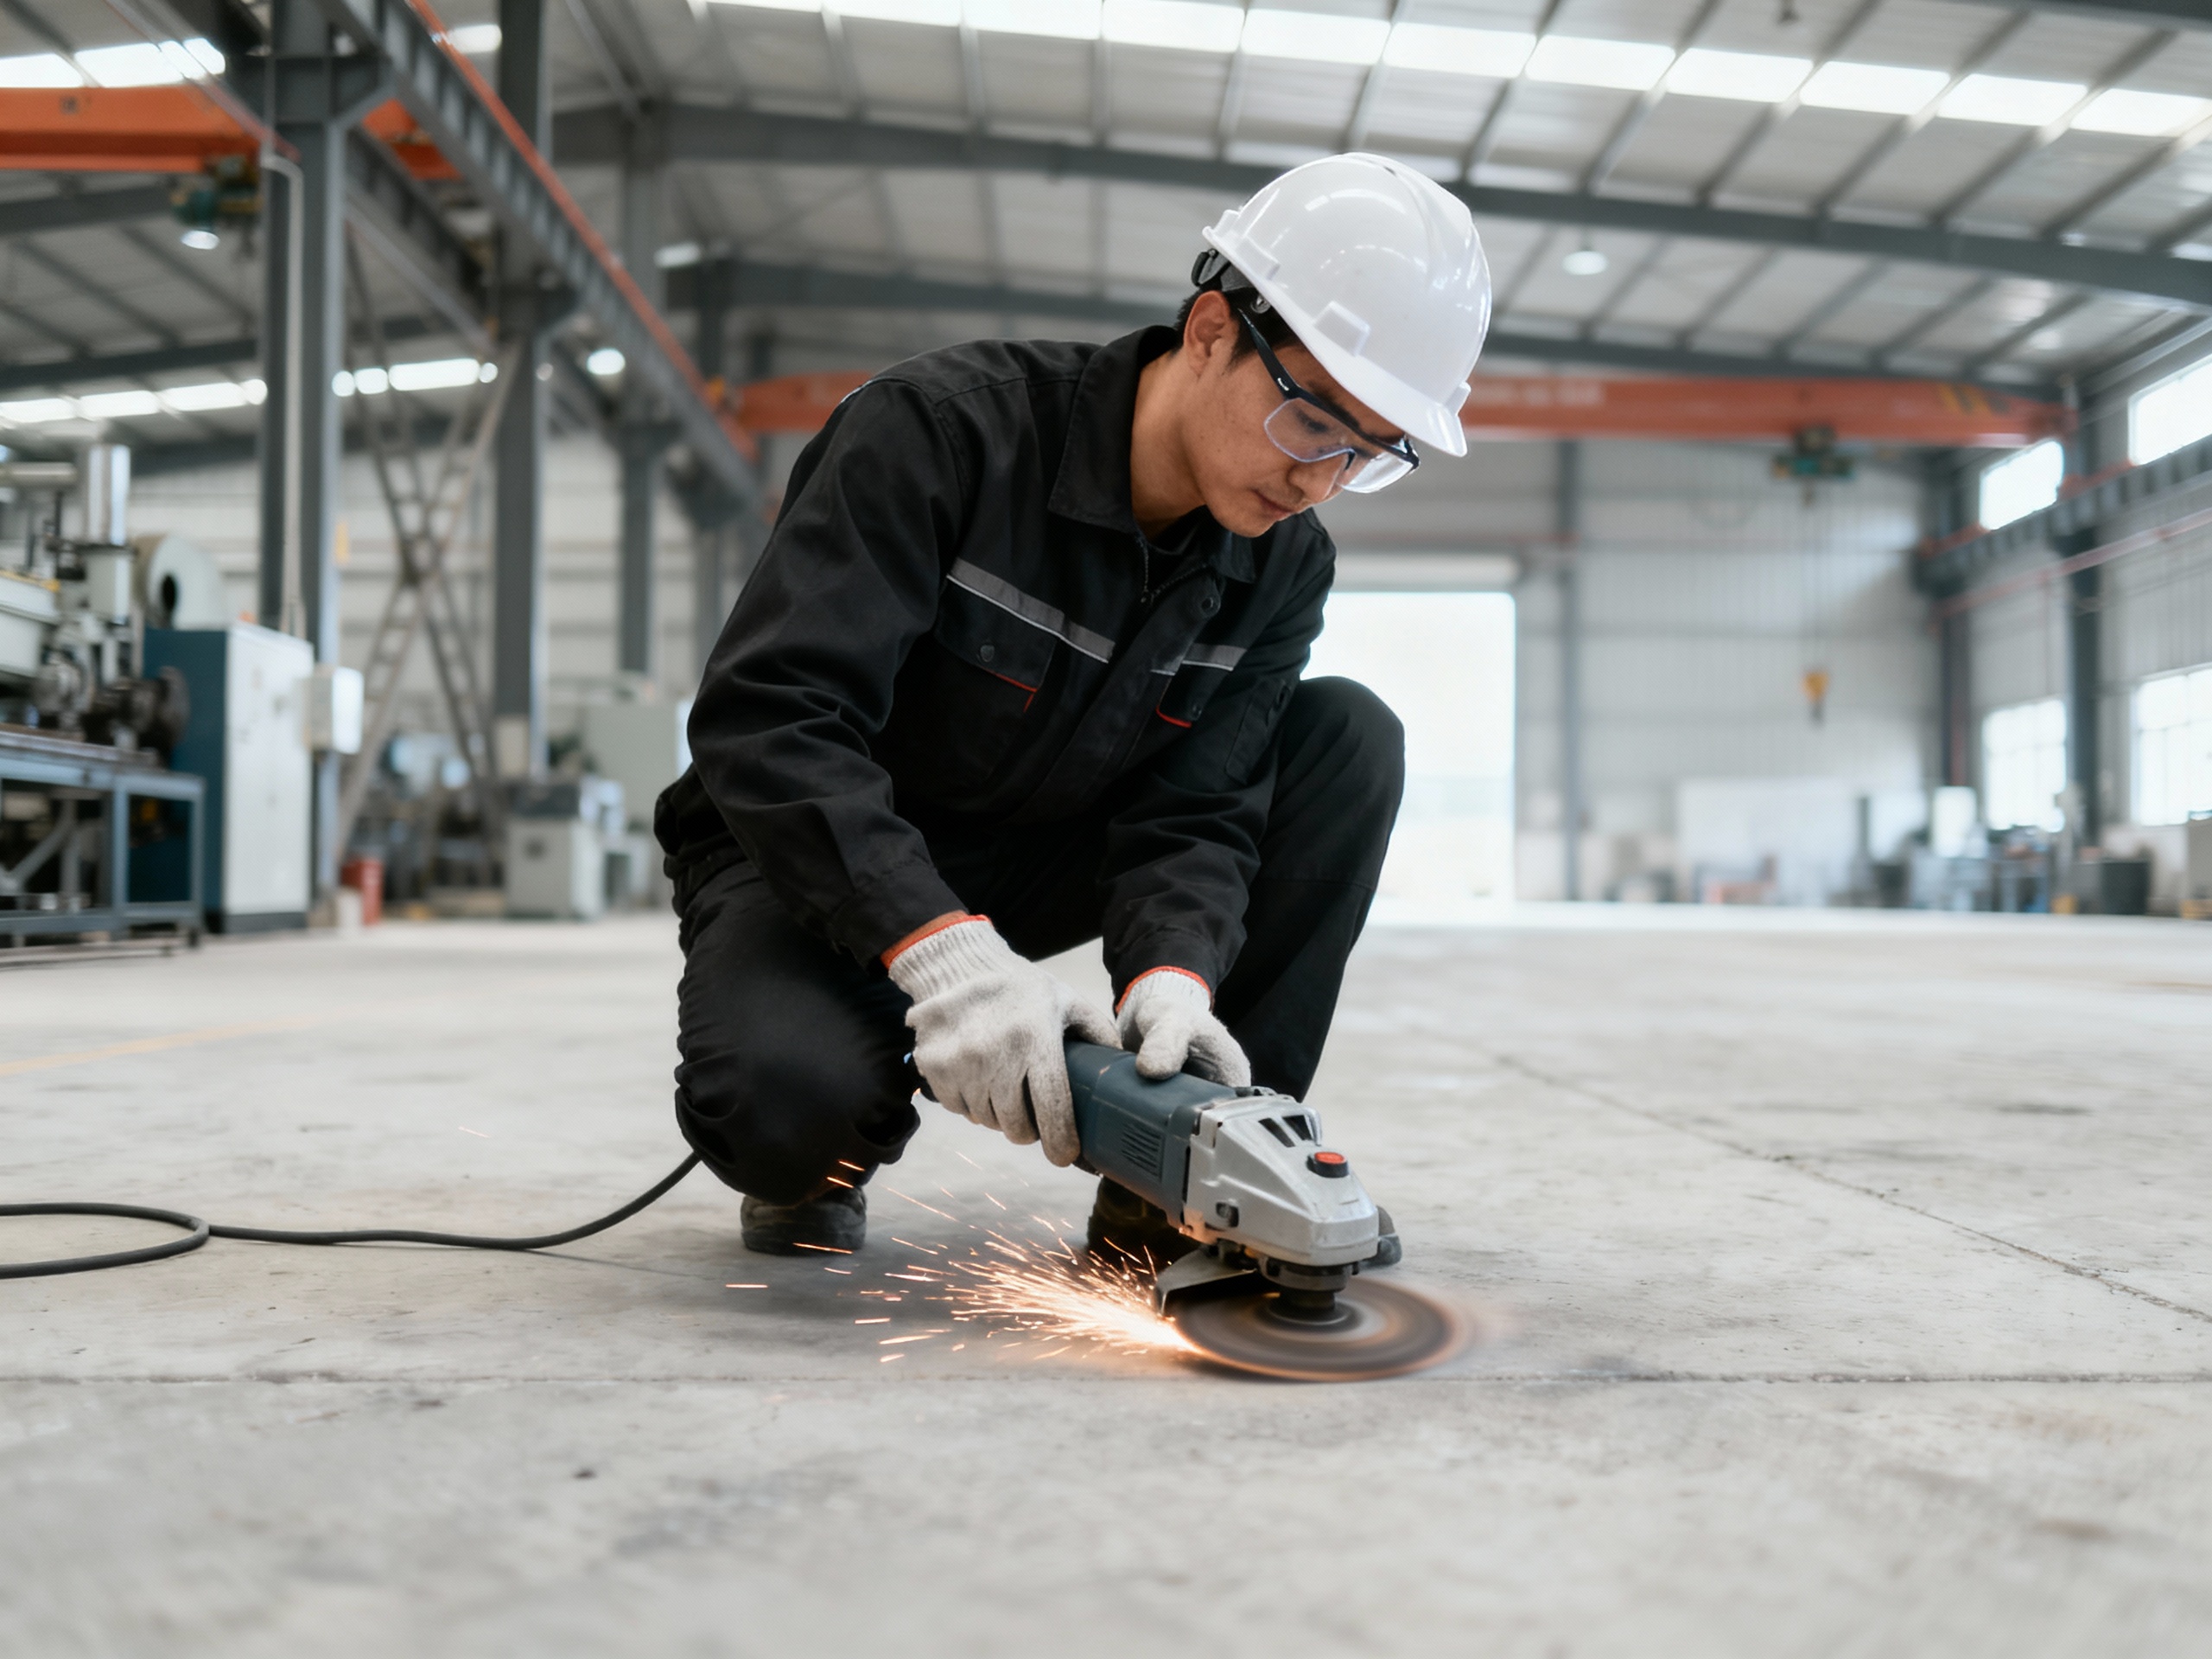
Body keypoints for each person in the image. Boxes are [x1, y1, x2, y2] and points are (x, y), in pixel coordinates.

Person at [653, 152, 1492, 1259]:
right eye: (1311, 423)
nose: (1317, 481)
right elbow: (771, 715)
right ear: (1208, 330)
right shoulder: (940, 437)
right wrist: (940, 953)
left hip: (1043, 852)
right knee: (781, 1119)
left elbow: (1199, 807)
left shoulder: (1283, 567)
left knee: (1347, 737)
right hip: (818, 851)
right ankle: (824, 1126)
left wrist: (1175, 976)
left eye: (1366, 455)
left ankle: (1199, 1176)